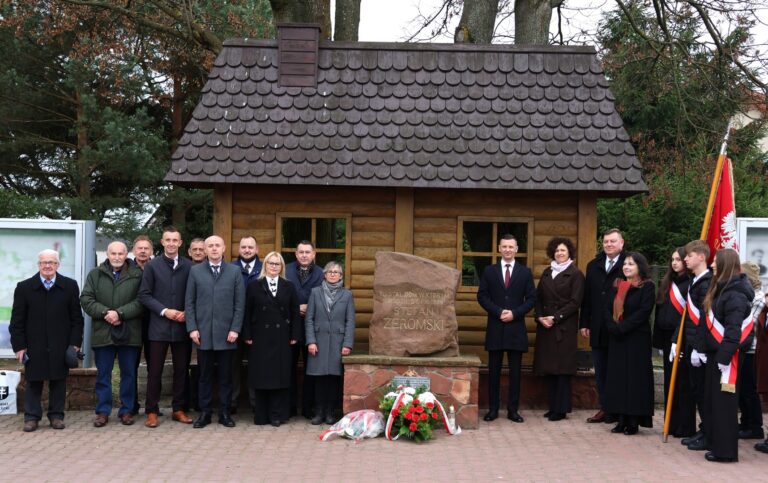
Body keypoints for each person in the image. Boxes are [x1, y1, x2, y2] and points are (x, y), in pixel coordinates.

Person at [9, 249, 84, 432]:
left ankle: (56, 416)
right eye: (44, 262)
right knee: (33, 381)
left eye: (52, 262)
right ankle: (31, 417)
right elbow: (17, 321)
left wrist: (74, 344)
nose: (48, 265)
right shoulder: (24, 287)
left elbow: (77, 319)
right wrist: (19, 346)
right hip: (34, 344)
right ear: (39, 265)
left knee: (58, 381)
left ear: (58, 265)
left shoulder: (70, 286)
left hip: (61, 343)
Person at [80, 241, 144, 427]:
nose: (117, 257)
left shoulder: (137, 274)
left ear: (126, 254)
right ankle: (102, 411)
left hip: (129, 332)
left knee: (129, 374)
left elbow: (142, 300)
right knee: (103, 375)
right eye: (113, 253)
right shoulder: (95, 274)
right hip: (103, 332)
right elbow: (86, 298)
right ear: (107, 254)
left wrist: (120, 313)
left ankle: (127, 410)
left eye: (120, 253)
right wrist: (106, 313)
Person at [700, 249, 754, 463]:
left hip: (727, 359)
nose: (712, 265)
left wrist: (723, 359)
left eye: (715, 262)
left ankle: (726, 451)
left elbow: (733, 333)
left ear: (725, 265)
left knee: (725, 406)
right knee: (715, 403)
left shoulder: (736, 295)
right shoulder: (724, 290)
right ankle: (717, 444)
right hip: (718, 356)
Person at [185, 235, 245, 428]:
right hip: (203, 335)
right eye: (210, 246)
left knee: (226, 377)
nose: (214, 249)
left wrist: (235, 328)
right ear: (204, 249)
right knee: (205, 376)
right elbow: (190, 303)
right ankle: (205, 413)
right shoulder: (195, 271)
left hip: (227, 335)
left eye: (217, 245)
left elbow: (239, 304)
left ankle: (225, 412)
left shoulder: (235, 272)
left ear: (224, 248)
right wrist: (192, 328)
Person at [138, 227, 194, 427]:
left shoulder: (189, 267)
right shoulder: (153, 266)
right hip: (158, 327)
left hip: (182, 325)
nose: (171, 243)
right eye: (167, 240)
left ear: (180, 243)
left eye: (175, 240)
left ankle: (178, 409)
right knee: (155, 371)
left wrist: (188, 312)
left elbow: (193, 294)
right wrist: (165, 311)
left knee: (181, 370)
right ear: (162, 242)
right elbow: (144, 295)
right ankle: (151, 411)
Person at [477, 234, 536, 423]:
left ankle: (513, 410)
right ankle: (493, 410)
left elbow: (532, 299)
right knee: (493, 371)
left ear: (516, 249)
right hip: (495, 326)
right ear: (499, 249)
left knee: (515, 373)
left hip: (516, 329)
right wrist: (498, 311)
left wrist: (515, 313)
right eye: (504, 246)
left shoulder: (525, 272)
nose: (508, 250)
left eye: (511, 247)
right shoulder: (489, 271)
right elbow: (482, 296)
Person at [243, 252, 301, 426]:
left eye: (277, 264)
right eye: (271, 263)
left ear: (281, 267)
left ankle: (277, 415)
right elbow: (247, 312)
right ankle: (261, 415)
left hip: (282, 338)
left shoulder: (289, 287)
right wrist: (247, 335)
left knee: (279, 377)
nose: (274, 266)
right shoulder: (254, 286)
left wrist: (295, 335)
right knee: (261, 377)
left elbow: (295, 313)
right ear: (265, 265)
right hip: (260, 337)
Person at [532, 237, 584, 422]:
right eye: (556, 251)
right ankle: (553, 406)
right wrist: (539, 317)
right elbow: (537, 298)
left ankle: (561, 409)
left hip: (564, 327)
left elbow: (575, 302)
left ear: (569, 252)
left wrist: (556, 317)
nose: (559, 253)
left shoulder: (576, 274)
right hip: (546, 326)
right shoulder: (547, 272)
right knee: (551, 369)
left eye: (563, 250)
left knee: (562, 369)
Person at [603, 252, 656, 435]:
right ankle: (620, 419)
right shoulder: (617, 285)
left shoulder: (647, 287)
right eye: (625, 264)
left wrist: (623, 327)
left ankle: (633, 421)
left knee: (634, 380)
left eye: (631, 264)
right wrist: (612, 327)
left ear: (639, 267)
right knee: (618, 379)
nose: (626, 267)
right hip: (617, 339)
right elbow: (607, 309)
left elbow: (643, 312)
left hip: (636, 339)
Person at [580, 228, 626, 424]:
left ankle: (620, 409)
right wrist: (584, 322)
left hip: (619, 328)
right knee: (601, 371)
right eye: (606, 241)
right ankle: (605, 408)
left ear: (621, 243)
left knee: (618, 370)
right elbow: (587, 297)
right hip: (598, 327)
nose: (609, 245)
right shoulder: (593, 265)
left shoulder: (629, 264)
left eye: (613, 241)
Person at [305, 261, 355, 425]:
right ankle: (319, 412)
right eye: (330, 271)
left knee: (334, 379)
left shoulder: (347, 295)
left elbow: (350, 321)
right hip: (318, 342)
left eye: (337, 272)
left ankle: (330, 412)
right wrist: (311, 341)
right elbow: (309, 319)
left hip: (338, 343)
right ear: (324, 274)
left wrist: (347, 344)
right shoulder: (315, 292)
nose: (333, 274)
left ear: (341, 276)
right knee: (319, 379)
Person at [654, 247, 696, 437]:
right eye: (672, 259)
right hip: (666, 338)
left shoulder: (690, 284)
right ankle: (670, 423)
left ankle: (685, 426)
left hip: (682, 338)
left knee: (683, 384)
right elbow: (660, 312)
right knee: (670, 380)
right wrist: (658, 341)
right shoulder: (667, 283)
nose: (675, 263)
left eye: (678, 259)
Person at [676, 240, 713, 451]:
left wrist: (699, 348)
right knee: (697, 390)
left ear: (701, 257)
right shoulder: (695, 280)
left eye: (689, 255)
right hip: (691, 343)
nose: (685, 259)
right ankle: (703, 429)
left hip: (700, 346)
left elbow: (704, 319)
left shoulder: (707, 282)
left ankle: (709, 433)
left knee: (703, 392)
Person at [284, 240, 324, 418]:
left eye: (308, 252)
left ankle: (309, 408)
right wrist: (295, 308)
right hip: (290, 326)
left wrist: (310, 307)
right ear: (295, 253)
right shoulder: (286, 270)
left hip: (313, 328)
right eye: (301, 252)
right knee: (288, 368)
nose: (304, 255)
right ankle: (290, 407)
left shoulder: (322, 273)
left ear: (314, 254)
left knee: (311, 369)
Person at [229, 236, 262, 413]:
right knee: (232, 365)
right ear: (238, 249)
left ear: (257, 249)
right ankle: (232, 401)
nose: (247, 250)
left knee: (256, 364)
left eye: (250, 247)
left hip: (257, 326)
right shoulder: (229, 268)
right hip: (234, 325)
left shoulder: (264, 268)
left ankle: (256, 402)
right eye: (243, 247)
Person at [130, 234, 153, 415]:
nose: (143, 251)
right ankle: (131, 405)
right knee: (131, 366)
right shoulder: (126, 269)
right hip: (132, 324)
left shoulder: (157, 267)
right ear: (134, 251)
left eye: (146, 248)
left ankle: (153, 405)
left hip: (154, 323)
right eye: (140, 248)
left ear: (152, 251)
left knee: (155, 366)